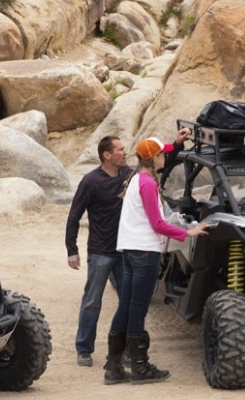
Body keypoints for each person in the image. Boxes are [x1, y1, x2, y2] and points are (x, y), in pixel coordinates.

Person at [104, 136, 206, 385]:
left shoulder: (135, 178)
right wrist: (188, 233)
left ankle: (113, 367)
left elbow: (163, 150)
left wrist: (176, 142)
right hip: (144, 252)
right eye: (162, 154)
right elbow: (157, 224)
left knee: (126, 306)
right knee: (138, 308)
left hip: (129, 250)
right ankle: (140, 367)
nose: (165, 157)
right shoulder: (148, 184)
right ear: (152, 158)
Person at [64, 135, 130, 368]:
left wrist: (177, 143)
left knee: (128, 302)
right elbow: (74, 215)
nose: (125, 152)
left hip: (124, 251)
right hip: (100, 252)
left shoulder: (128, 175)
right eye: (120, 149)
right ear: (107, 155)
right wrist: (72, 250)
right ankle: (84, 349)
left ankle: (127, 350)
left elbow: (154, 166)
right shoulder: (91, 181)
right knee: (92, 301)